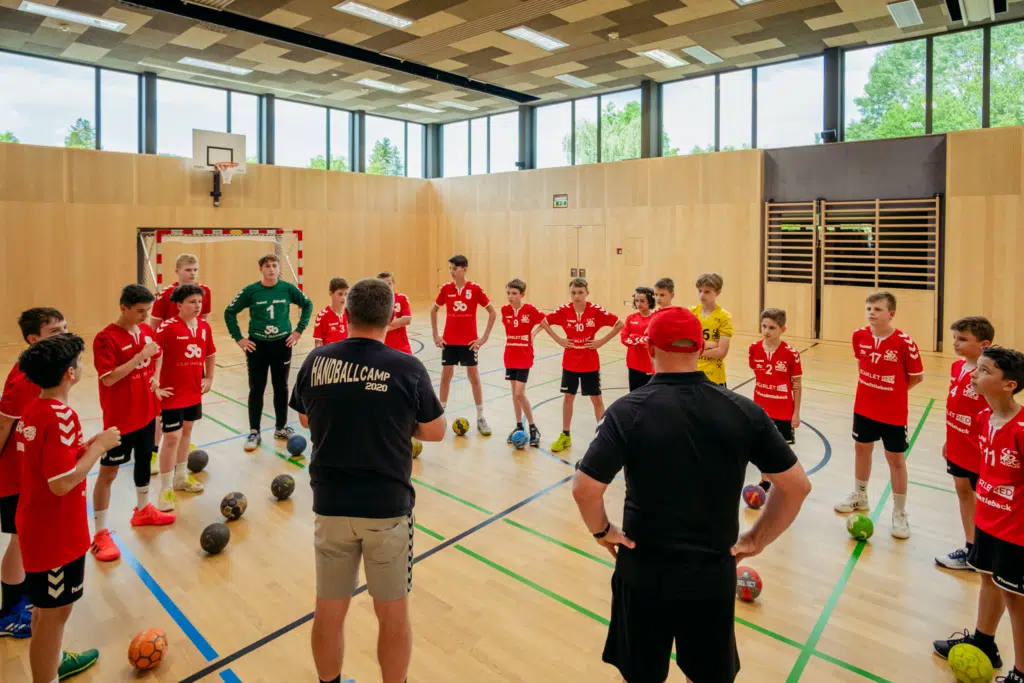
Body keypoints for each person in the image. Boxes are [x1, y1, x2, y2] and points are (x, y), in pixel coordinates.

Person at [572, 306, 811, 683]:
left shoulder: (626, 411)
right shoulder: (743, 410)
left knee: (641, 674)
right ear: (701, 348)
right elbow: (797, 486)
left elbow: (585, 489)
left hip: (643, 571)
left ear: (649, 349)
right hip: (711, 576)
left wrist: (603, 532)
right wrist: (755, 540)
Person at [288, 278, 446, 683]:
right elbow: (434, 431)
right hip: (387, 509)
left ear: (347, 315)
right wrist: (397, 423)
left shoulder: (317, 360)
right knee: (392, 615)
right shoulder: (406, 367)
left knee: (329, 610)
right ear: (391, 317)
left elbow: (305, 417)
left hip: (331, 504)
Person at [17, 333, 120, 682]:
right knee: (54, 615)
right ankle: (47, 674)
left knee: (46, 613)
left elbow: (48, 465)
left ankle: (51, 662)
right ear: (69, 374)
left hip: (40, 525)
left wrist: (85, 446)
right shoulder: (61, 415)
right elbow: (61, 483)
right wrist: (100, 447)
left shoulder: (34, 409)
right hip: (56, 534)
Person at [932, 346, 1024, 680]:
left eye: (985, 371)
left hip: (1015, 529)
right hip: (987, 518)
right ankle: (985, 642)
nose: (974, 374)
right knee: (987, 578)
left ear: (1009, 384)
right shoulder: (985, 418)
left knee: (1016, 598)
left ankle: (1021, 672)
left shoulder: (1021, 428)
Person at [90, 285, 175, 563]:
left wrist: (155, 377)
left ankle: (142, 510)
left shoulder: (148, 332)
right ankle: (100, 532)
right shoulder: (105, 339)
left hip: (147, 412)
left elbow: (158, 355)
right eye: (140, 311)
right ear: (123, 307)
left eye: (147, 311)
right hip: (119, 420)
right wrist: (140, 357)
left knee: (143, 462)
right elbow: (109, 379)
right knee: (109, 474)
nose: (144, 316)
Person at [833, 291, 924, 539]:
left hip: (893, 413)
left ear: (891, 314)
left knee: (895, 459)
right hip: (864, 407)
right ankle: (860, 496)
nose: (872, 313)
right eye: (869, 308)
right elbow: (861, 364)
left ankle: (899, 512)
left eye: (878, 309)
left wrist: (893, 392)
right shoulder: (859, 336)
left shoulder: (904, 342)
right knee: (862, 450)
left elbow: (916, 377)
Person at [0, 308, 66, 639]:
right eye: (55, 331)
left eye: (64, 328)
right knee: (19, 541)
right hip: (13, 475)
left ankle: (20, 602)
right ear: (33, 338)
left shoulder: (39, 369)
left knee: (22, 540)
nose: (63, 334)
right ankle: (10, 614)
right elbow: (3, 425)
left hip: (25, 472)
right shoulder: (27, 380)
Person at [225, 254, 313, 452]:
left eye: (274, 266)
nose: (271, 269)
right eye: (267, 266)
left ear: (278, 269)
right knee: (257, 388)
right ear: (261, 269)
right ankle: (254, 431)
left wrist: (298, 331)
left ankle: (281, 428)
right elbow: (229, 311)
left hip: (282, 344)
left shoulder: (288, 289)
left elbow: (307, 304)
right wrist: (239, 338)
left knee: (281, 387)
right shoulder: (252, 291)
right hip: (257, 346)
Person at [937, 316, 995, 570]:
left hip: (980, 450)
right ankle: (971, 549)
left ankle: (988, 552)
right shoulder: (956, 367)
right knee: (963, 492)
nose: (956, 344)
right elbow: (955, 405)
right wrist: (950, 440)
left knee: (986, 501)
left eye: (962, 339)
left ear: (984, 344)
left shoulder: (989, 375)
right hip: (958, 444)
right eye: (955, 338)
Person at [540, 278, 623, 453]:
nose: (577, 296)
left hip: (590, 362)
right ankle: (565, 435)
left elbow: (619, 324)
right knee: (568, 397)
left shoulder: (595, 311)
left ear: (587, 293)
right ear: (569, 293)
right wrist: (559, 340)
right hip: (570, 362)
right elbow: (544, 322)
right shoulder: (564, 310)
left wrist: (600, 341)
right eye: (573, 293)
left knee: (596, 399)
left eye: (580, 292)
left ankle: (603, 437)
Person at [154, 284, 216, 512]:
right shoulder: (167, 328)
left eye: (199, 301)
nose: (197, 305)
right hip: (172, 393)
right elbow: (152, 356)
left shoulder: (203, 327)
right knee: (171, 437)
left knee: (186, 433)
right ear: (179, 305)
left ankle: (181, 477)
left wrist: (209, 377)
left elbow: (210, 353)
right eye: (192, 301)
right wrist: (155, 386)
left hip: (192, 391)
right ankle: (165, 488)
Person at [148, 253, 211, 475]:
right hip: (168, 357)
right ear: (177, 271)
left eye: (195, 269)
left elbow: (205, 322)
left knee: (186, 419)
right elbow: (154, 327)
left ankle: (178, 450)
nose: (192, 273)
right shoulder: (165, 295)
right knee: (161, 411)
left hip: (191, 354)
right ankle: (154, 452)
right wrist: (156, 368)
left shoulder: (204, 292)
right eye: (188, 270)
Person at [429, 254, 497, 436]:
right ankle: (441, 416)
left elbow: (492, 312)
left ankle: (481, 417)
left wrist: (483, 338)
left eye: (454, 268)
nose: (451, 272)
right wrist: (436, 335)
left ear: (464, 268)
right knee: (445, 376)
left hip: (469, 342)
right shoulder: (446, 289)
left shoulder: (475, 289)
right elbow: (434, 310)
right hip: (449, 341)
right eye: (450, 268)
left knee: (474, 377)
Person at [748, 308, 803, 495]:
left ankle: (784, 482)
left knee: (781, 450)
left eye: (772, 327)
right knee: (762, 448)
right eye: (764, 326)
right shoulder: (754, 349)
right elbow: (756, 372)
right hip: (761, 409)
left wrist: (795, 413)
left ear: (782, 329)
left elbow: (796, 386)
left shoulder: (791, 354)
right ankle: (765, 480)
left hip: (783, 411)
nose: (766, 331)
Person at [501, 279, 545, 447]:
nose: (510, 297)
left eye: (514, 294)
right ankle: (519, 425)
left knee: (520, 393)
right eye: (508, 293)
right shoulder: (505, 310)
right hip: (510, 355)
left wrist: (533, 334)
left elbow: (544, 321)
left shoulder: (529, 310)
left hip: (524, 355)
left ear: (522, 295)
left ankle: (533, 427)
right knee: (514, 393)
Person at [691, 272, 733, 388]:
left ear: (717, 292)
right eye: (700, 291)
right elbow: (686, 344)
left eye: (707, 291)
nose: (702, 295)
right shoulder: (691, 313)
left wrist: (696, 352)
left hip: (714, 376)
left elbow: (721, 352)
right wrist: (713, 344)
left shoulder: (725, 316)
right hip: (692, 372)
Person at [621, 287, 656, 391]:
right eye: (636, 301)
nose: (639, 304)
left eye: (642, 301)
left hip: (649, 365)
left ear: (649, 301)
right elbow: (624, 338)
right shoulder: (630, 318)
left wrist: (635, 337)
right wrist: (642, 340)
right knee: (634, 393)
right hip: (633, 363)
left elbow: (653, 340)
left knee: (649, 396)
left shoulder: (655, 318)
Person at [378, 272, 412, 355]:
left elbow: (407, 320)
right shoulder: (374, 302)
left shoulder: (402, 298)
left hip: (402, 348)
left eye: (389, 283)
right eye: (383, 285)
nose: (387, 287)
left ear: (393, 283)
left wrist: (384, 326)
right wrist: (397, 322)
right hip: (381, 348)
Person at [313, 278, 349, 348]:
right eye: (340, 294)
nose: (344, 298)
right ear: (331, 294)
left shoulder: (350, 313)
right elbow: (318, 343)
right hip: (331, 356)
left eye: (346, 294)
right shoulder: (322, 316)